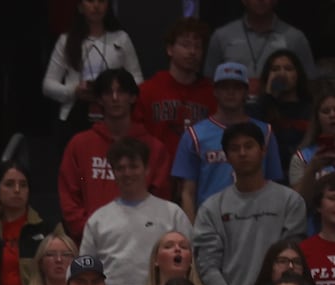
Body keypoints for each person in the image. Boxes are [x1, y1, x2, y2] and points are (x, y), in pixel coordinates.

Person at [195, 121, 307, 285]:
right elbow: (207, 265)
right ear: (227, 157)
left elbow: (291, 261)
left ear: (263, 151)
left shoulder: (291, 201)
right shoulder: (211, 208)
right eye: (235, 148)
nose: (242, 153)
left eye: (249, 146)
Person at [59, 69, 169, 238]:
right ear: (99, 99)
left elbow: (160, 198)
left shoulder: (154, 148)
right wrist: (89, 230)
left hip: (140, 239)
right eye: (109, 92)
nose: (115, 98)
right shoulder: (80, 145)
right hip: (91, 240)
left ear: (133, 97)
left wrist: (141, 230)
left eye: (122, 92)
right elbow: (70, 194)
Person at [81, 138, 190, 285]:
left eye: (133, 166)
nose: (127, 173)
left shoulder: (172, 213)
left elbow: (192, 262)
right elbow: (85, 270)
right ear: (113, 172)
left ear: (146, 169)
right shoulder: (98, 220)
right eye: (120, 168)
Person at [172, 63, 280, 221]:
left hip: (256, 218)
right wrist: (193, 231)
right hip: (211, 221)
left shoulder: (265, 132)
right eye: (224, 87)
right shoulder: (195, 134)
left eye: (237, 87)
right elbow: (187, 192)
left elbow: (274, 183)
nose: (230, 92)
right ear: (215, 91)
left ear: (246, 92)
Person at [41, 0, 142, 130]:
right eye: (90, 1)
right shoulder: (66, 40)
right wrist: (74, 91)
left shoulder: (121, 38)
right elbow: (47, 85)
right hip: (74, 116)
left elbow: (138, 79)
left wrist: (117, 90)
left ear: (108, 5)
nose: (96, 6)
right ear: (80, 7)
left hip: (114, 115)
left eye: (101, 1)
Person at [138, 17, 211, 158]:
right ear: (170, 49)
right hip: (157, 171)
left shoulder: (211, 94)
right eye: (186, 45)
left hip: (198, 172)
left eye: (197, 46)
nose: (192, 52)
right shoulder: (148, 90)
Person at [205, 0, 315, 86]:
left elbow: (310, 83)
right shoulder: (221, 36)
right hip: (232, 112)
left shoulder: (295, 38)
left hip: (280, 112)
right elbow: (209, 82)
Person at [290, 88, 335, 193]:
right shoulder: (301, 158)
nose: (332, 115)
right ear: (317, 118)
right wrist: (311, 169)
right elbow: (297, 202)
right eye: (325, 111)